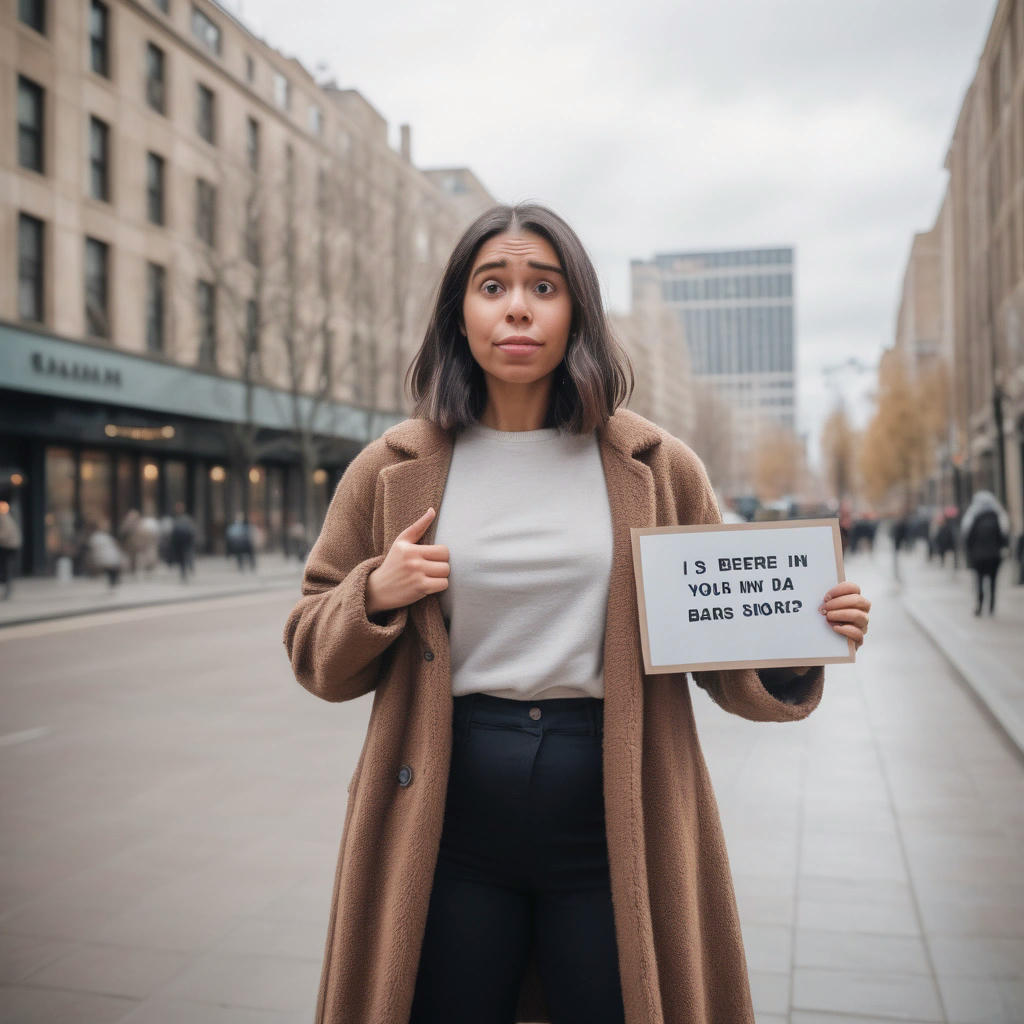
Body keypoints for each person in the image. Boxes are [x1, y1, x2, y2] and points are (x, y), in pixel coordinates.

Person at [283, 204, 872, 1024]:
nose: (517, 306)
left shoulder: (656, 465)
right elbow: (313, 651)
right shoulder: (391, 468)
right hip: (447, 820)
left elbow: (720, 644)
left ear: (577, 312)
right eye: (493, 285)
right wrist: (372, 594)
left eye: (543, 286)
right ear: (461, 311)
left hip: (617, 816)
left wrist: (801, 639)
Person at [961, 489, 1010, 616]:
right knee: (993, 581)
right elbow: (1003, 537)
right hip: (994, 556)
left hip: (978, 557)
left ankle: (979, 605)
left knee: (979, 581)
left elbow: (968, 539)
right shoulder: (998, 516)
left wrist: (970, 554)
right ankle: (992, 607)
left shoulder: (973, 518)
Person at [86, 519, 124, 589]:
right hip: (108, 557)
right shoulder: (99, 537)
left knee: (112, 570)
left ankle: (113, 583)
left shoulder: (100, 537)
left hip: (109, 557)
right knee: (112, 570)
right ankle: (113, 583)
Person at [168, 502, 196, 582]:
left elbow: (191, 530)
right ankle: (184, 572)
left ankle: (189, 567)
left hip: (186, 541)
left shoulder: (186, 518)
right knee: (182, 559)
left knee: (187, 556)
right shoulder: (175, 519)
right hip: (178, 542)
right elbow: (173, 531)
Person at [0, 500, 23, 600]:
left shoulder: (3, 517)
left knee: (7, 568)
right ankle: (8, 591)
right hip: (11, 546)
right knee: (7, 568)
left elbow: (5, 533)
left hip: (8, 546)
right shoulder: (7, 517)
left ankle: (8, 592)